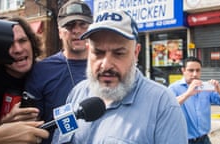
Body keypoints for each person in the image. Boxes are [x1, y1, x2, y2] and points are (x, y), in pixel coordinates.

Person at [52, 9, 188, 144]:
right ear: (89, 51)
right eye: (98, 53)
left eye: (118, 53)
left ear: (136, 53)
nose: (105, 65)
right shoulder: (77, 93)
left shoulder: (162, 104)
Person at [25, 0, 93, 143]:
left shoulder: (104, 68)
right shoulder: (42, 70)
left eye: (83, 25)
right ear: (59, 31)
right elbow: (30, 125)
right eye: (69, 25)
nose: (77, 30)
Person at [168, 56, 220, 144]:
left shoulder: (205, 87)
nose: (195, 74)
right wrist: (188, 93)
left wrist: (219, 89)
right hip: (183, 140)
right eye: (191, 70)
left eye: (198, 70)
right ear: (183, 70)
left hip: (203, 139)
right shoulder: (174, 88)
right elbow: (167, 107)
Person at [0, 17, 42, 127]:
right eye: (9, 44)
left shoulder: (46, 72)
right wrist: (6, 124)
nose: (18, 49)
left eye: (22, 41)